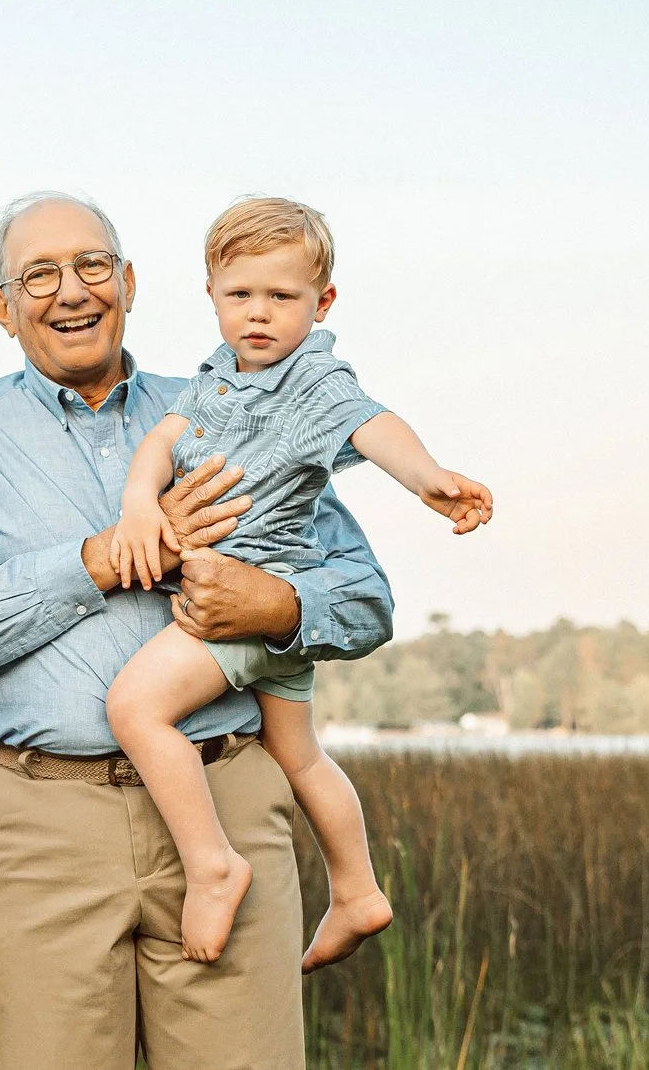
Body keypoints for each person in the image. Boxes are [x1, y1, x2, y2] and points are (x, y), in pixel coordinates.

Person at [0, 192, 396, 1070]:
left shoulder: (233, 403)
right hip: (42, 824)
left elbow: (366, 596)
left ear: (129, 283)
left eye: (91, 265)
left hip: (226, 793)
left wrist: (271, 607)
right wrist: (98, 560)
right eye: (38, 273)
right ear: (3, 308)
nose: (70, 289)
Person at [106, 196, 494, 968]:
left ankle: (212, 863)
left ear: (322, 304)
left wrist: (428, 480)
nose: (258, 314)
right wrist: (138, 501)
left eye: (282, 298)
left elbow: (374, 424)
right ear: (211, 294)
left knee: (135, 705)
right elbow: (162, 438)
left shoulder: (314, 380)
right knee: (301, 755)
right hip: (284, 618)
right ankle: (356, 889)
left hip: (246, 601)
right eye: (239, 295)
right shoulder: (219, 377)